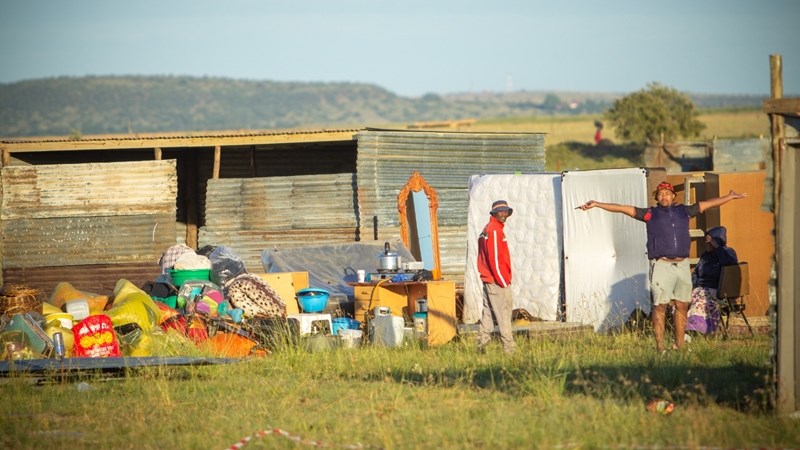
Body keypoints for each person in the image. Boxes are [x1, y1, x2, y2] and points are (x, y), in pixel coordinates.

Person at [579, 182, 746, 353]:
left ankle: (679, 345)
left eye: (667, 193)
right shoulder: (650, 214)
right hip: (662, 265)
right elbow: (622, 208)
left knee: (682, 305)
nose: (664, 196)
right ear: (657, 197)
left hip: (682, 265)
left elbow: (708, 204)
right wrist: (598, 204)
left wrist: (729, 197)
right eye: (660, 194)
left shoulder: (684, 211)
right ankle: (660, 348)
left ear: (673, 196)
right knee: (660, 306)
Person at [476, 200, 517, 355]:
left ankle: (481, 347)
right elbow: (494, 259)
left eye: (505, 211)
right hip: (496, 281)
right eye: (500, 211)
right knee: (504, 314)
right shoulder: (494, 230)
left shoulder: (489, 229)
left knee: (488, 315)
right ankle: (509, 349)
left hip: (489, 279)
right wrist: (502, 280)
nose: (503, 214)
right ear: (494, 213)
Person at [687, 226, 738, 335]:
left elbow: (729, 262)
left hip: (718, 291)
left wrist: (718, 248)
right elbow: (696, 273)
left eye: (709, 241)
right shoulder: (705, 256)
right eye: (706, 240)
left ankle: (697, 330)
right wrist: (694, 285)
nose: (706, 243)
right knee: (683, 298)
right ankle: (686, 330)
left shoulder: (728, 252)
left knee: (699, 300)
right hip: (700, 289)